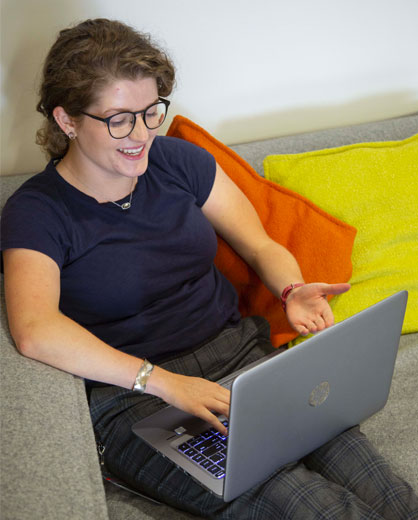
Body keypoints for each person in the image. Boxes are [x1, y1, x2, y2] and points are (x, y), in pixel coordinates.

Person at [1, 18, 417, 520]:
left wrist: (291, 291)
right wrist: (164, 382)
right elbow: (35, 330)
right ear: (67, 120)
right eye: (118, 119)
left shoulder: (179, 163)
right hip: (138, 401)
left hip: (244, 363)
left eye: (150, 112)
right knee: (314, 507)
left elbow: (260, 245)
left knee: (393, 498)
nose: (140, 135)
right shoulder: (37, 211)